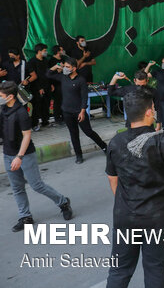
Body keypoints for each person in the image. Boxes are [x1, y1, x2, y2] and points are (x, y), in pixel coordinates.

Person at [105, 88, 164, 288]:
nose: (155, 110)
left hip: (125, 216)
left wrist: (127, 204)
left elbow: (112, 179)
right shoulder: (159, 140)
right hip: (156, 218)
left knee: (119, 270)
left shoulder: (115, 142)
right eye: (153, 108)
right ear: (148, 112)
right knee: (154, 267)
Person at [1, 81, 73, 232]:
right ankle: (25, 216)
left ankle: (63, 202)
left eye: (1, 96)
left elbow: (27, 136)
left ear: (10, 97)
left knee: (36, 185)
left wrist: (19, 157)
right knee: (17, 187)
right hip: (8, 154)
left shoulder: (21, 112)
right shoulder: (2, 110)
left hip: (24, 154)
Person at [46, 57, 107, 164]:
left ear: (74, 68)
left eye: (67, 67)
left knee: (88, 132)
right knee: (73, 134)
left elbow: (84, 97)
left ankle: (104, 146)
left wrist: (83, 111)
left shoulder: (81, 80)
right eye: (64, 66)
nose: (65, 68)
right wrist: (56, 66)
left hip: (79, 112)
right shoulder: (63, 77)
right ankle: (79, 155)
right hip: (66, 112)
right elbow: (48, 74)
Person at [27, 43, 51, 131]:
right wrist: (39, 88)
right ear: (39, 51)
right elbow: (34, 76)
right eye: (45, 51)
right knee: (37, 106)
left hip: (47, 86)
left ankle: (45, 122)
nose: (46, 52)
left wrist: (51, 84)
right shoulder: (32, 62)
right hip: (36, 88)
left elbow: (48, 73)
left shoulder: (45, 60)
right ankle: (34, 124)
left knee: (46, 104)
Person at [48, 45, 65, 125]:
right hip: (56, 84)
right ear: (58, 51)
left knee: (64, 101)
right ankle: (57, 118)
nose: (63, 51)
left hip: (64, 83)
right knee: (57, 102)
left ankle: (64, 117)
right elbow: (49, 74)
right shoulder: (51, 61)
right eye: (62, 50)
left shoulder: (63, 59)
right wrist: (51, 84)